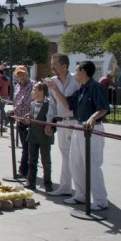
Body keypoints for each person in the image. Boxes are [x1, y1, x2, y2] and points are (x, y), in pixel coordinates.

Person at [48, 60, 110, 211]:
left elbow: (103, 108)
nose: (74, 73)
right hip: (79, 127)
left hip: (92, 130)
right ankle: (81, 195)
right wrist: (55, 89)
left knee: (92, 165)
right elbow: (68, 104)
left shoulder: (96, 87)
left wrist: (93, 118)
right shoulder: (81, 89)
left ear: (83, 71)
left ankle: (101, 200)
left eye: (76, 70)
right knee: (75, 163)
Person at [45, 53, 80, 196]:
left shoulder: (76, 80)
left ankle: (80, 189)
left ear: (64, 66)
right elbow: (52, 105)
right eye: (51, 63)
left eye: (55, 64)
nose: (51, 67)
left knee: (77, 156)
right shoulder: (53, 81)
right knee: (65, 156)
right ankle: (65, 187)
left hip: (76, 121)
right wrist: (48, 122)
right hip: (61, 123)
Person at [23, 82, 55, 191]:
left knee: (46, 161)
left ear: (41, 91)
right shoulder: (32, 104)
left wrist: (52, 129)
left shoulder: (49, 104)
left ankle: (48, 183)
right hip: (33, 136)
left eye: (34, 89)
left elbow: (54, 119)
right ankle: (31, 182)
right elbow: (31, 115)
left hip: (44, 136)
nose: (32, 92)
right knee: (31, 160)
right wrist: (27, 116)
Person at [7, 65, 34, 178]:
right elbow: (16, 100)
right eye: (18, 74)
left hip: (29, 120)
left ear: (27, 73)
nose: (20, 76)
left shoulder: (32, 85)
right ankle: (28, 168)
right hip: (19, 119)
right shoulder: (17, 85)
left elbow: (25, 101)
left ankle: (23, 170)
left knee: (27, 147)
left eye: (22, 74)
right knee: (25, 146)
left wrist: (13, 110)